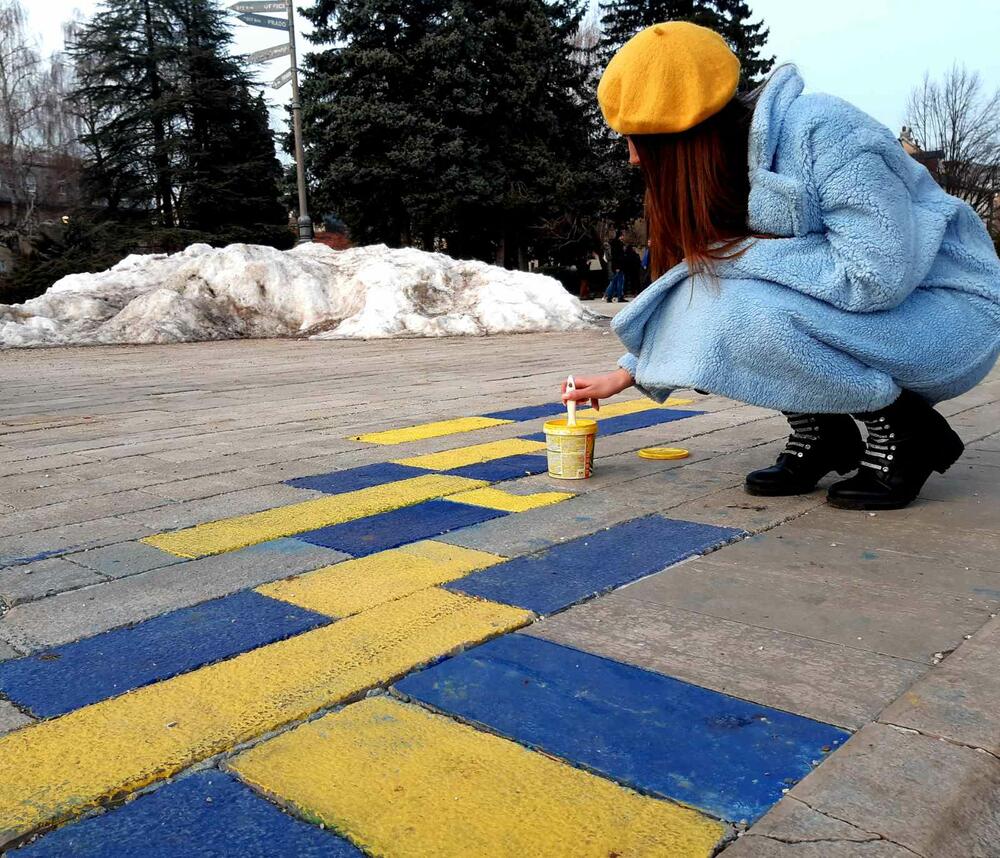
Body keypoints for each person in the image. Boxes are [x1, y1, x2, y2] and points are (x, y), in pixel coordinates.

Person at [562, 22, 1000, 511]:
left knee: (738, 311)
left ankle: (906, 429)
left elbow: (874, 276)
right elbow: (708, 292)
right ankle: (825, 432)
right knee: (720, 298)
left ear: (687, 133)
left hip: (950, 313)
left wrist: (737, 257)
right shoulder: (726, 170)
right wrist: (631, 371)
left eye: (639, 140)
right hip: (881, 316)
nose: (633, 158)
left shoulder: (827, 132)